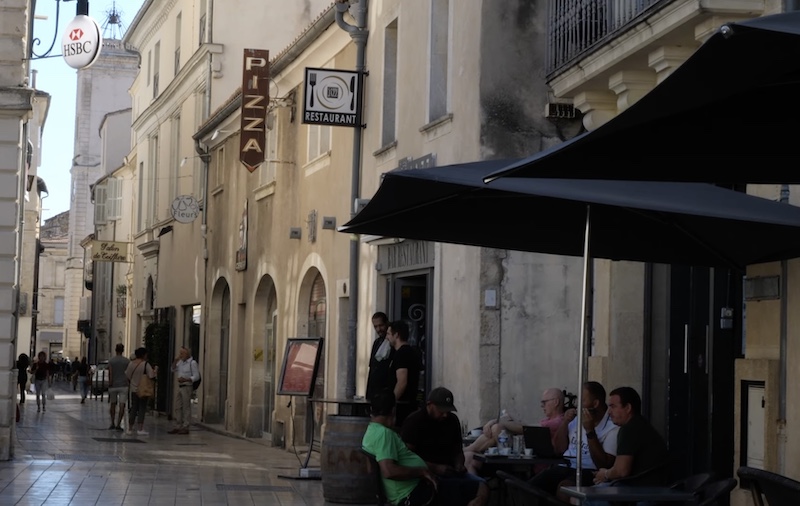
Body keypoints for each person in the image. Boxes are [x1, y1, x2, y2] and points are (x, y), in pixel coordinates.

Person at [401, 387, 489, 506]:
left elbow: (458, 449)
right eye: (441, 411)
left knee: (483, 487)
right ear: (429, 405)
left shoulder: (452, 421)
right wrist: (435, 468)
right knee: (471, 490)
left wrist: (459, 464)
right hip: (426, 476)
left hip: (452, 472)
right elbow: (407, 457)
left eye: (448, 411)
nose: (445, 415)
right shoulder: (414, 421)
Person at [529, 381, 619, 496]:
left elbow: (603, 465)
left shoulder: (612, 427)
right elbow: (558, 449)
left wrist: (590, 431)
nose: (578, 406)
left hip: (588, 471)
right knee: (529, 487)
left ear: (595, 403)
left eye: (582, 401)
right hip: (566, 465)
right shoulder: (577, 419)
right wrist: (565, 422)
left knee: (565, 489)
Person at [362, 390, 438, 506]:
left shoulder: (372, 430)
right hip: (409, 493)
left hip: (411, 489)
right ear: (393, 410)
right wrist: (421, 471)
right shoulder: (384, 434)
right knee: (464, 489)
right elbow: (389, 471)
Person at [464, 387, 565, 474]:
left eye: (544, 402)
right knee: (468, 457)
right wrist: (496, 421)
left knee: (497, 428)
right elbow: (523, 427)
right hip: (519, 459)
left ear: (555, 402)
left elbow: (525, 429)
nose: (542, 406)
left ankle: (464, 450)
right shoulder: (547, 420)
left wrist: (498, 422)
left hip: (528, 464)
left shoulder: (558, 422)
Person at [592, 387, 669, 487]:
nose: (609, 412)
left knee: (587, 498)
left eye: (613, 406)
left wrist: (605, 474)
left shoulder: (629, 429)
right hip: (651, 487)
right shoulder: (639, 424)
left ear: (628, 407)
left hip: (643, 490)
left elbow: (621, 471)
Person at [387, 320, 422, 427]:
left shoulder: (402, 354)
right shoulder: (412, 352)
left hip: (402, 407)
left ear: (396, 335)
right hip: (410, 404)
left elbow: (402, 382)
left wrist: (390, 403)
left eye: (389, 334)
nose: (386, 337)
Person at [125, 347, 158, 436]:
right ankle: (140, 428)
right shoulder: (145, 364)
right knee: (142, 408)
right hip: (143, 389)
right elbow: (151, 376)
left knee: (133, 408)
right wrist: (155, 371)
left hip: (133, 389)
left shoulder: (131, 364)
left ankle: (130, 428)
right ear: (143, 355)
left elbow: (127, 376)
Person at [169, 346, 199, 435]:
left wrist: (186, 379)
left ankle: (186, 426)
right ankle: (178, 425)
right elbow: (173, 369)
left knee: (186, 406)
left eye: (182, 353)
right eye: (180, 353)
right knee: (178, 406)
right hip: (180, 386)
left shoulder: (192, 363)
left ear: (187, 354)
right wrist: (175, 360)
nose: (181, 355)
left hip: (187, 386)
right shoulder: (181, 362)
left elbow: (196, 376)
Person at [366, 311, 394, 401]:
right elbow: (372, 368)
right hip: (374, 392)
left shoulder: (393, 344)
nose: (378, 329)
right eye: (375, 326)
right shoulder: (377, 343)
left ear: (387, 323)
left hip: (386, 391)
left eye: (381, 325)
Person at [107, 343, 130, 431]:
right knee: (122, 405)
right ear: (123, 350)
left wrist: (110, 382)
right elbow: (128, 373)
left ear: (115, 350)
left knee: (113, 404)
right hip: (123, 385)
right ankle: (119, 424)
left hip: (113, 385)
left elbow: (110, 373)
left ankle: (112, 422)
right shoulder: (127, 361)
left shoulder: (111, 361)